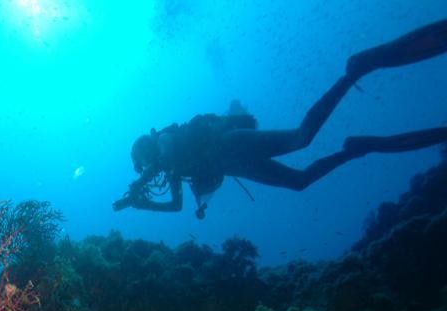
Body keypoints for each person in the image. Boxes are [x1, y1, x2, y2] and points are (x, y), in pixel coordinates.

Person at [114, 19, 447, 219]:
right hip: (234, 165)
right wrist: (141, 206)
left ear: (144, 149)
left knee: (302, 138)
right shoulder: (170, 167)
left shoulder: (165, 142)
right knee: (299, 182)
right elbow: (176, 207)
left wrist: (139, 187)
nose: (145, 168)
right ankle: (356, 149)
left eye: (141, 162)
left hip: (229, 145)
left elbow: (165, 160)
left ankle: (354, 71)